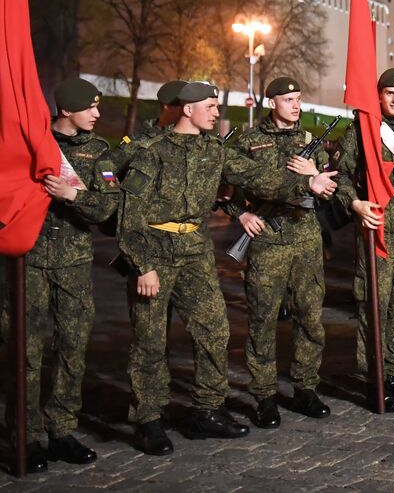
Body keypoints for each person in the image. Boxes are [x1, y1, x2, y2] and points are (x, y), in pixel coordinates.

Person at [121, 82, 326, 454]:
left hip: (195, 251)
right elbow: (128, 216)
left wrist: (307, 182)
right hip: (156, 251)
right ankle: (148, 418)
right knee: (149, 340)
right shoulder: (151, 152)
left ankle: (207, 410)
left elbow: (258, 177)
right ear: (188, 110)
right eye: (211, 107)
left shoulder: (214, 150)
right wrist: (143, 266)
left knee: (214, 331)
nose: (218, 113)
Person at [18, 79, 119, 470]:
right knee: (25, 350)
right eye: (90, 107)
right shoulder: (33, 144)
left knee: (71, 348)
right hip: (29, 260)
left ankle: (61, 430)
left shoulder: (98, 152)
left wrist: (73, 196)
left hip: (74, 262)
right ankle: (24, 435)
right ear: (65, 110)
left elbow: (108, 207)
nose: (97, 114)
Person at [227, 77, 335, 429]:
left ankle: (305, 387)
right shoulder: (249, 141)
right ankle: (264, 395)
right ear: (272, 103)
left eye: (298, 99)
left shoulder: (309, 142)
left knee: (310, 317)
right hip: (267, 242)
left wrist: (314, 173)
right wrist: (239, 214)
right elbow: (218, 183)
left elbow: (326, 191)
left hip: (305, 238)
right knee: (263, 320)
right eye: (288, 99)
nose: (295, 105)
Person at [333, 67, 394, 413]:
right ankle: (375, 379)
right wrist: (354, 203)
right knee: (375, 304)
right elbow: (341, 175)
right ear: (379, 94)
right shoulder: (361, 130)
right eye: (389, 93)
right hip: (378, 225)